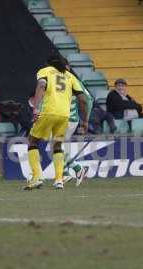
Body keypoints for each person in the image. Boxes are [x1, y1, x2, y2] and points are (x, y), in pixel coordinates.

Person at [24, 53, 88, 190]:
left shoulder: (45, 71)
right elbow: (82, 99)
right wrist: (85, 121)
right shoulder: (71, 76)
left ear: (49, 64)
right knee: (57, 146)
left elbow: (41, 86)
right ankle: (59, 180)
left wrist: (35, 108)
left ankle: (37, 178)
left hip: (48, 112)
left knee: (32, 141)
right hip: (64, 116)